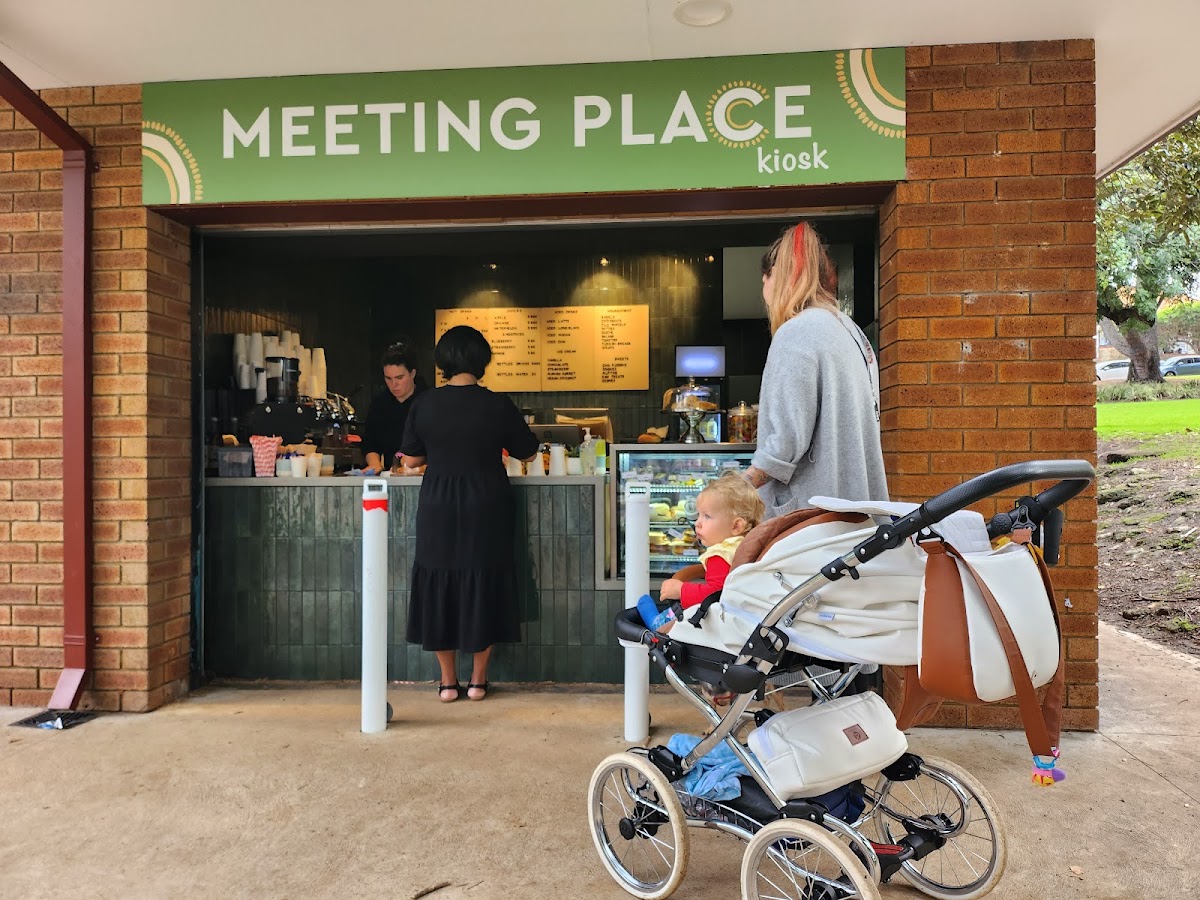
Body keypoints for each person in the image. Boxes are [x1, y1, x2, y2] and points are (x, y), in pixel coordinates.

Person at [399, 325, 539, 702]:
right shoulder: (497, 404)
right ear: (482, 361)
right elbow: (527, 452)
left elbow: (411, 458)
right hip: (487, 500)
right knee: (484, 579)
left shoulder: (424, 404)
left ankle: (448, 682)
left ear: (442, 361)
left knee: (438, 580)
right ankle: (478, 681)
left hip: (439, 502)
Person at [744, 222, 888, 516]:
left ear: (779, 277)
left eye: (765, 282)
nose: (765, 294)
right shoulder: (851, 331)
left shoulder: (796, 332)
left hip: (811, 523)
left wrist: (738, 488)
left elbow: (785, 441)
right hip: (857, 518)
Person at [637, 471, 765, 633]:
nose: (697, 523)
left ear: (736, 526)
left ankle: (657, 623)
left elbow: (716, 593)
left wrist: (680, 590)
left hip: (710, 621)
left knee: (656, 621)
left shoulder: (720, 555)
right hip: (739, 617)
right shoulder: (744, 545)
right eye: (698, 516)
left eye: (707, 517)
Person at [362, 342, 424, 475]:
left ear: (412, 373)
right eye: (388, 378)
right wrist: (375, 464)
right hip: (392, 473)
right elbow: (370, 442)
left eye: (399, 378)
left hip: (425, 475)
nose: (394, 384)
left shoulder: (428, 401)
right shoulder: (380, 404)